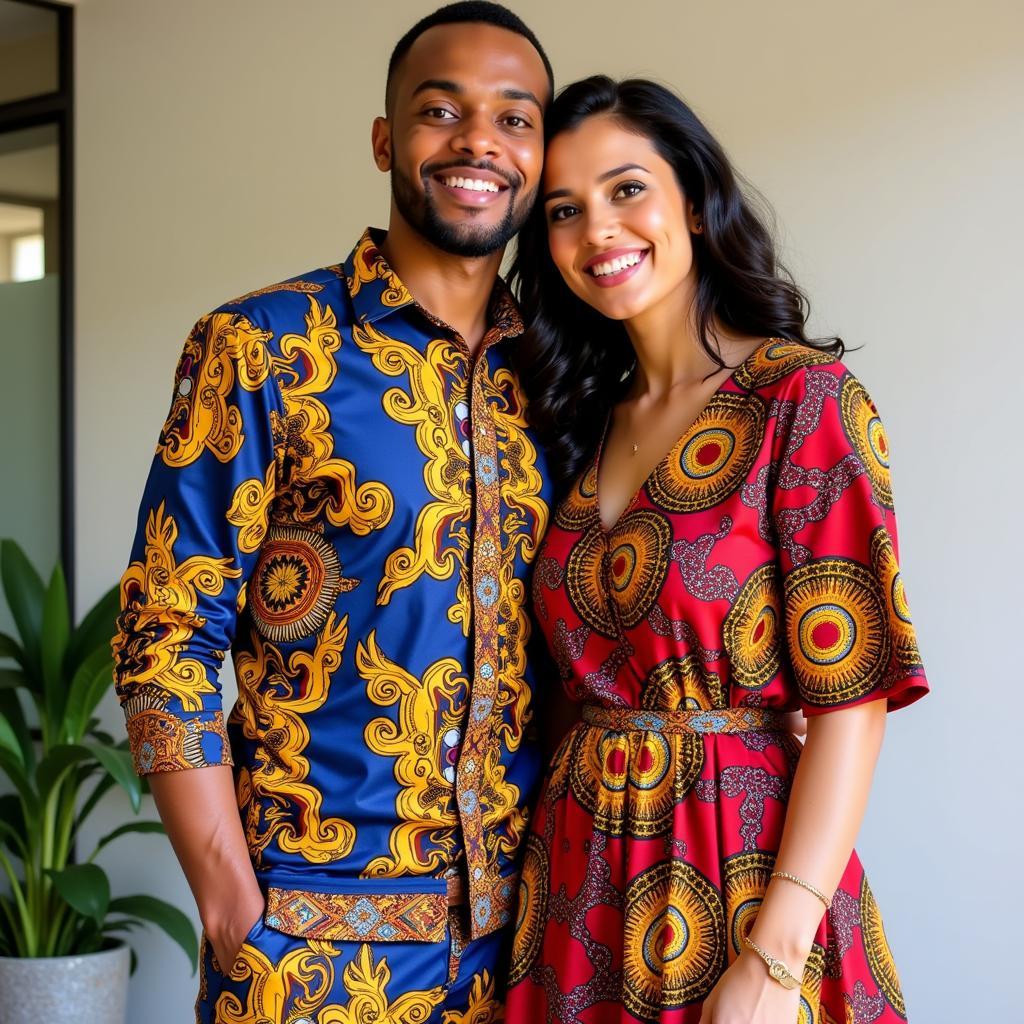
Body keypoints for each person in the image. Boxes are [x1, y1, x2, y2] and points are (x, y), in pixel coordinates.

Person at [111, 4, 554, 1020]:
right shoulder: (262, 347)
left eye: (513, 118)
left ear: (538, 154)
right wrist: (229, 902)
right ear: (385, 139)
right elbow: (166, 629)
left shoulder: (561, 376)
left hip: (526, 942)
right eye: (441, 109)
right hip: (306, 944)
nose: (478, 139)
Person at [505, 76, 929, 1023]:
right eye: (564, 211)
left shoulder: (801, 401)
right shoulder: (573, 427)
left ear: (692, 202)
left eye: (626, 190)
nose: (597, 232)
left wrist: (776, 959)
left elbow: (854, 698)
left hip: (739, 873)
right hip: (577, 884)